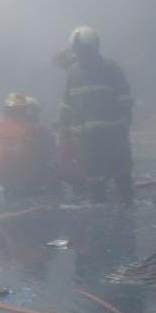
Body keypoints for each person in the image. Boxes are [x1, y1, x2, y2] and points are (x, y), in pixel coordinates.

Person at [59, 26, 134, 203]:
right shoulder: (74, 73)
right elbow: (67, 104)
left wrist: (125, 122)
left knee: (120, 174)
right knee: (97, 178)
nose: (82, 55)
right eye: (79, 51)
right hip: (92, 137)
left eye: (84, 50)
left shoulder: (110, 68)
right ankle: (112, 203)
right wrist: (64, 129)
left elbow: (124, 97)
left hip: (110, 134)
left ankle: (121, 202)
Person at [0, 93, 58, 197]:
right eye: (33, 111)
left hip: (4, 178)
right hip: (30, 180)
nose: (34, 114)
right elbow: (50, 155)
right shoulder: (38, 130)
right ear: (25, 110)